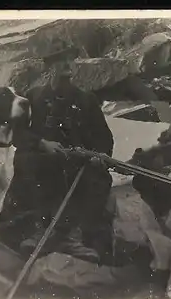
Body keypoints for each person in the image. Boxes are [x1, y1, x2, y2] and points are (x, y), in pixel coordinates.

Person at [7, 45, 115, 263]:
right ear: (49, 67)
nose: (68, 65)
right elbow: (16, 132)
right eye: (60, 60)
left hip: (78, 162)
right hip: (46, 160)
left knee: (98, 178)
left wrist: (98, 155)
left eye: (70, 60)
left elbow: (104, 138)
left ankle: (73, 236)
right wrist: (41, 143)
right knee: (25, 162)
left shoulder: (86, 100)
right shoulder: (34, 98)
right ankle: (42, 230)